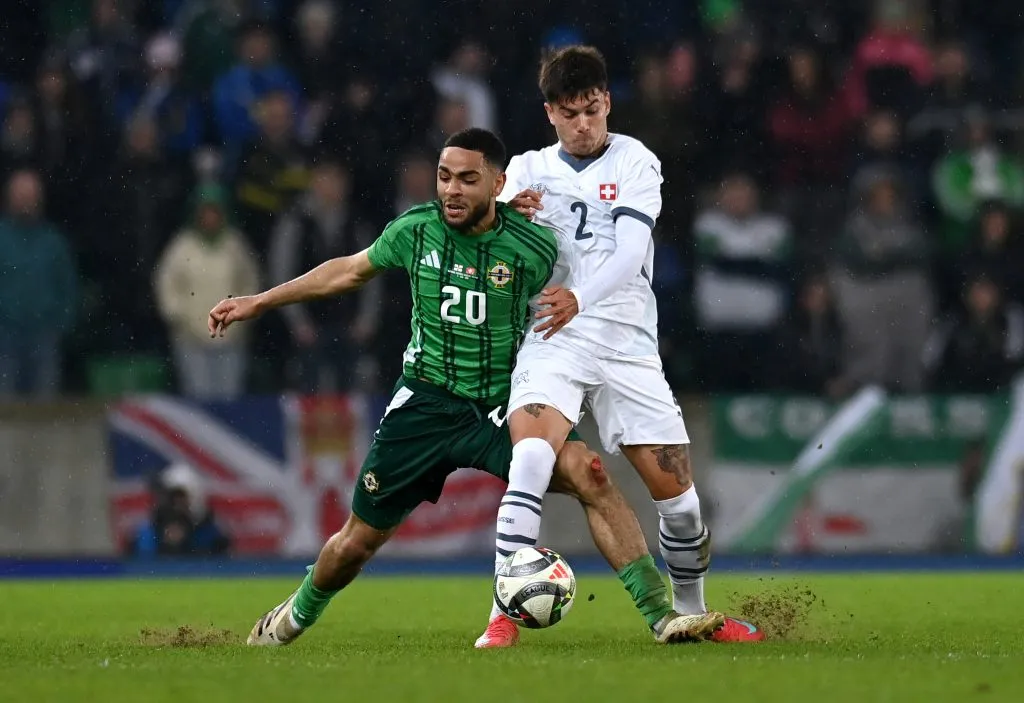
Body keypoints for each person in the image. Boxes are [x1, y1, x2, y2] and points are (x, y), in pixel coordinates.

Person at [208, 128, 725, 648]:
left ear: (498, 183)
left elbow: (595, 265)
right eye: (444, 177)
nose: (452, 190)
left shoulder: (534, 243)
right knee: (356, 543)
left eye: (467, 179)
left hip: (500, 404)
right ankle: (293, 617)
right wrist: (260, 301)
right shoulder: (416, 229)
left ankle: (662, 617)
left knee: (588, 473)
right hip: (425, 403)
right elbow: (348, 271)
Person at [477, 46, 763, 647]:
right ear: (549, 112)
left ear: (606, 102)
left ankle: (689, 615)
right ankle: (503, 613)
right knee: (530, 456)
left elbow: (631, 251)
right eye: (570, 113)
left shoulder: (636, 161)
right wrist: (501, 214)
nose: (584, 124)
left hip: (627, 342)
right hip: (552, 336)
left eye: (593, 109)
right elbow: (474, 234)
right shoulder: (525, 171)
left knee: (680, 501)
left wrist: (579, 294)